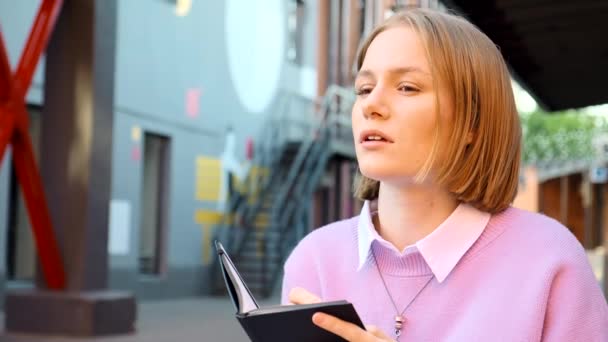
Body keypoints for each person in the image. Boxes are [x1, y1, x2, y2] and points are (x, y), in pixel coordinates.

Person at [281, 8, 608, 341]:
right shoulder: (313, 260)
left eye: (407, 87)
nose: (370, 105)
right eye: (364, 89)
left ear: (473, 121)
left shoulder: (549, 259)